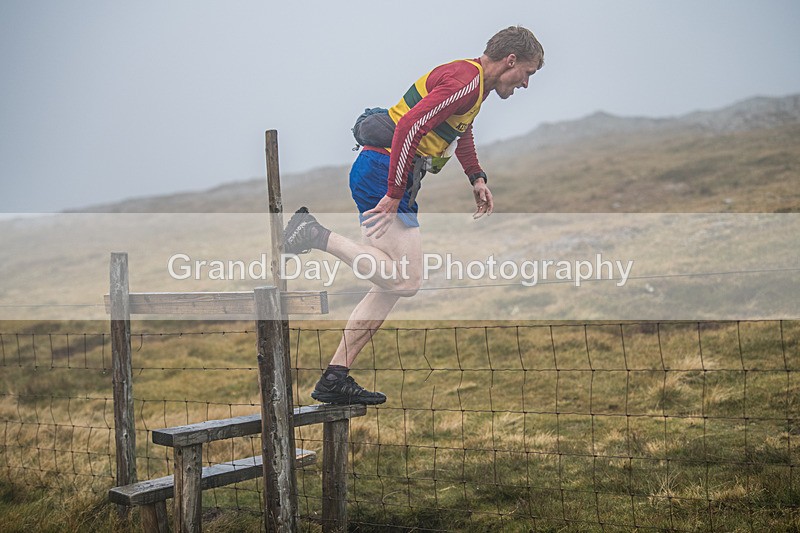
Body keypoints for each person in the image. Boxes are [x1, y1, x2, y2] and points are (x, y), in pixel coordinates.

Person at [283, 26, 544, 405]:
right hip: (383, 171)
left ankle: (334, 377)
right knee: (406, 281)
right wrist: (393, 192)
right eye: (528, 73)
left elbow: (460, 131)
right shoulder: (465, 81)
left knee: (389, 287)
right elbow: (409, 125)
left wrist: (476, 176)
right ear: (511, 60)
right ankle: (313, 234)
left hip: (387, 171)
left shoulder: (475, 88)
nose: (525, 84)